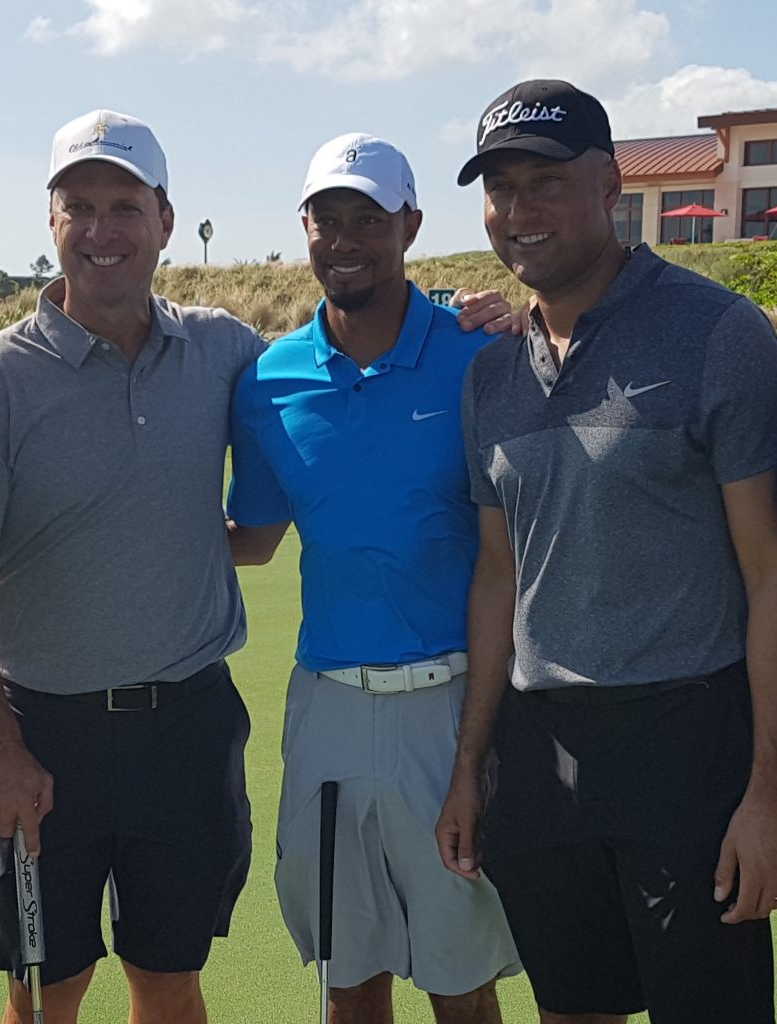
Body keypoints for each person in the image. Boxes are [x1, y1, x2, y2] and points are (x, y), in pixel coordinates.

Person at [436, 79, 777, 1024]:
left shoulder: (716, 330)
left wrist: (771, 793)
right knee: (571, 1011)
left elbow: (769, 574)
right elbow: (497, 578)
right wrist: (470, 765)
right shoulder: (489, 374)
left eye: (545, 182)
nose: (518, 210)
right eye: (500, 188)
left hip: (686, 742)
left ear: (609, 186)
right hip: (538, 752)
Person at [0, 109, 264, 1024]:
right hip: (44, 734)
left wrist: (482, 321)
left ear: (164, 220)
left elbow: (337, 364)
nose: (101, 230)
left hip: (189, 730)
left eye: (124, 206)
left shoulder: (224, 349)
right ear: (50, 221)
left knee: (170, 981)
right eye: (78, 207)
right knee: (45, 992)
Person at [226, 132, 523, 1024]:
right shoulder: (268, 379)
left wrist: (516, 315)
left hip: (452, 704)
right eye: (327, 220)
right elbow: (255, 538)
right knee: (345, 974)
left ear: (411, 227)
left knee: (458, 977)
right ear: (304, 229)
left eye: (369, 218)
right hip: (326, 708)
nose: (345, 239)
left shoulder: (480, 352)